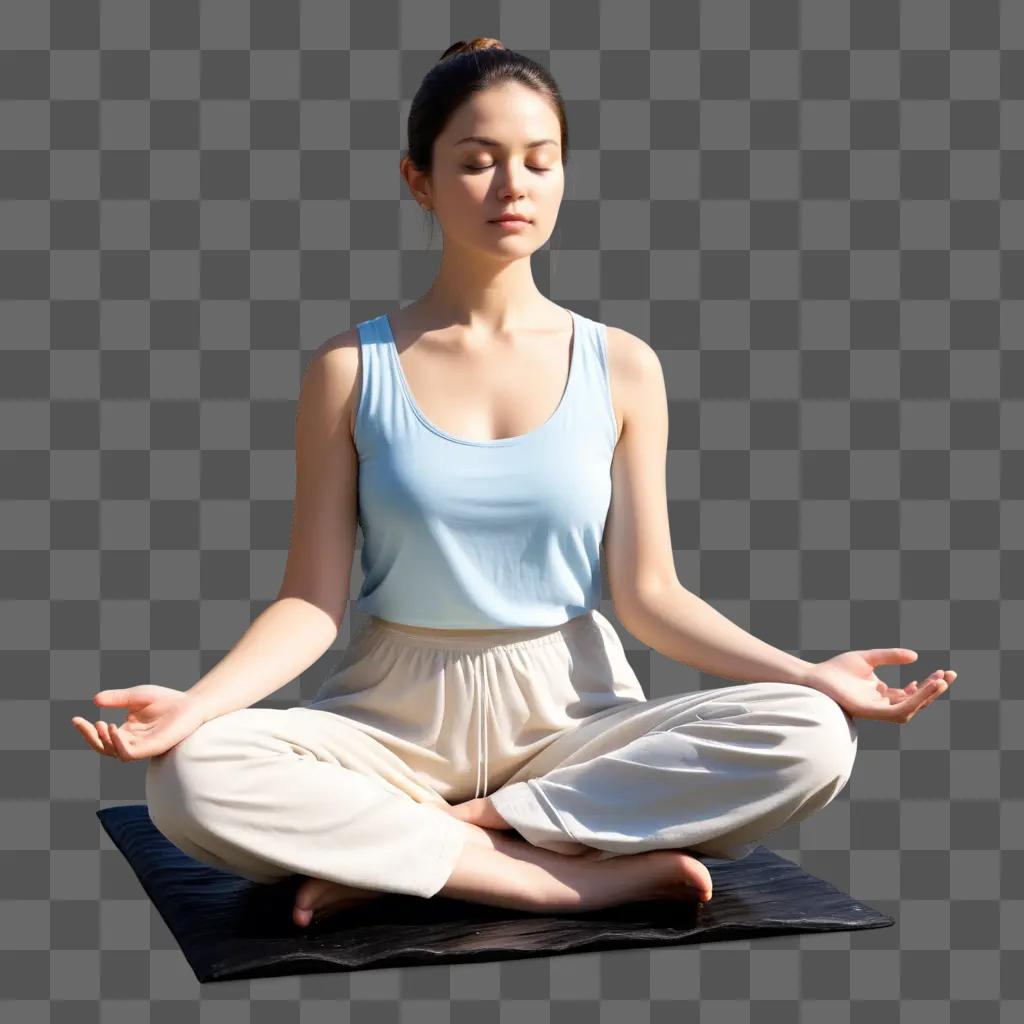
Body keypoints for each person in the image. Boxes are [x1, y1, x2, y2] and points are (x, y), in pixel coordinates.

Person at [72, 38, 956, 930]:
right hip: (390, 725)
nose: (513, 187)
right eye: (477, 163)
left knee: (811, 736)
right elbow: (309, 601)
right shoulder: (350, 368)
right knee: (190, 777)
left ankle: (433, 848)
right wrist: (199, 702)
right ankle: (560, 876)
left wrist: (809, 674)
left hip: (573, 723)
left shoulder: (622, 366)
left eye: (540, 161)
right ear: (419, 181)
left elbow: (650, 596)